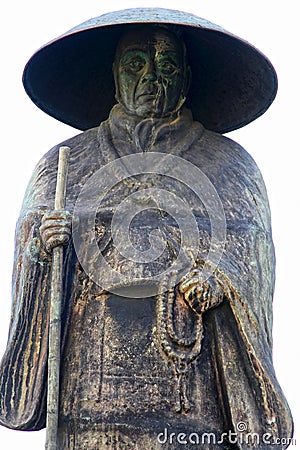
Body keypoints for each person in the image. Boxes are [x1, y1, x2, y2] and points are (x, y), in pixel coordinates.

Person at [0, 8, 293, 449]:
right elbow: (31, 242)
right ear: (115, 74)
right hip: (89, 393)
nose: (151, 78)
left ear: (187, 77)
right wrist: (42, 246)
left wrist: (222, 279)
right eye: (136, 64)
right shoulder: (66, 163)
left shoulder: (229, 164)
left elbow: (251, 248)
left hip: (191, 397)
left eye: (167, 66)